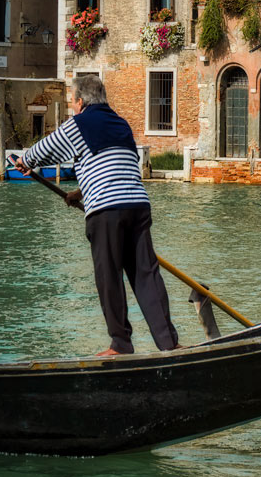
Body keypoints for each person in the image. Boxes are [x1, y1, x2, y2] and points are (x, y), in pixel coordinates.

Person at [14, 75, 179, 357]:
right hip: (137, 205)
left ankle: (121, 344)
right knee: (146, 276)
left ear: (80, 101)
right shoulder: (121, 124)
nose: (72, 107)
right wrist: (80, 192)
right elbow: (115, 163)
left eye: (72, 102)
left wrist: (25, 160)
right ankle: (169, 344)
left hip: (106, 211)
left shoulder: (81, 123)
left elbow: (49, 146)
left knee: (109, 276)